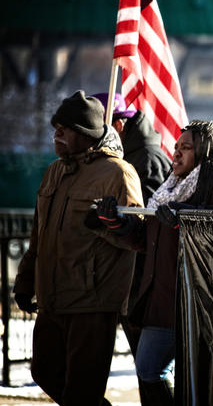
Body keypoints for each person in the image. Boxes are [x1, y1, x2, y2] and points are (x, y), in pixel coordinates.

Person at [13, 90, 144, 405]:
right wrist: (26, 280)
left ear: (85, 134)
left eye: (64, 128)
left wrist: (109, 223)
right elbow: (38, 234)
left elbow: (138, 236)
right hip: (52, 296)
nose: (56, 134)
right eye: (55, 127)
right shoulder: (54, 171)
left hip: (92, 300)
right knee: (43, 371)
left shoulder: (117, 172)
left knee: (82, 389)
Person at [95, 120, 213, 404]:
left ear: (205, 153)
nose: (176, 153)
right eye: (176, 147)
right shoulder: (169, 189)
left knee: (183, 378)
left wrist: (187, 219)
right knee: (149, 369)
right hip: (160, 301)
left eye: (186, 148)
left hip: (193, 303)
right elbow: (147, 240)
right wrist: (118, 223)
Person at [92, 91, 172, 405]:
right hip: (130, 277)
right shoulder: (127, 154)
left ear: (119, 125)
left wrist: (114, 221)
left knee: (150, 368)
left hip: (142, 279)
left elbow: (149, 225)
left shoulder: (147, 158)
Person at [92, 92, 172, 202]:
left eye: (97, 130)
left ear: (118, 126)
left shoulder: (149, 159)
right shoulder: (126, 155)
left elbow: (150, 210)